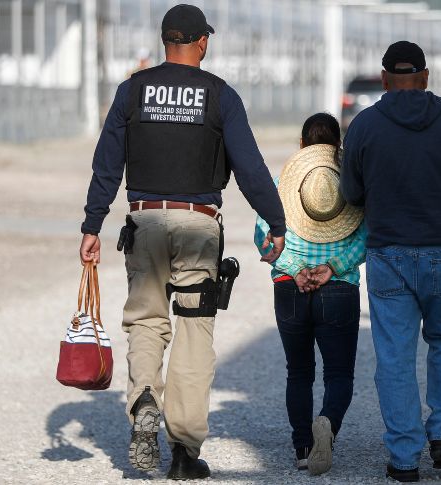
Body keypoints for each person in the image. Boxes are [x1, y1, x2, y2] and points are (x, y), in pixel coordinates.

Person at [78, 4, 286, 480]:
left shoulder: (132, 92)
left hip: (144, 222)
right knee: (193, 331)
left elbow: (106, 164)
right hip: (198, 224)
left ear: (163, 42)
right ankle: (183, 451)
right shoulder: (220, 96)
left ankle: (145, 399)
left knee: (147, 322)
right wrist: (276, 222)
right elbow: (250, 168)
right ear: (202, 43)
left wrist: (92, 225)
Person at [340, 41, 441, 482]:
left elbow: (350, 194)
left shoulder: (365, 125)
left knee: (395, 357)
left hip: (389, 255)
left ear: (384, 80)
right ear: (426, 78)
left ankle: (404, 459)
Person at [254, 113, 366, 476]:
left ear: (302, 147)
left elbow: (264, 238)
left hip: (290, 288)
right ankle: (328, 424)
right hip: (339, 287)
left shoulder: (278, 184)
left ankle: (303, 446)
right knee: (339, 373)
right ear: (339, 147)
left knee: (298, 372)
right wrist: (332, 267)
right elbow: (366, 237)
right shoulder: (353, 186)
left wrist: (295, 270)